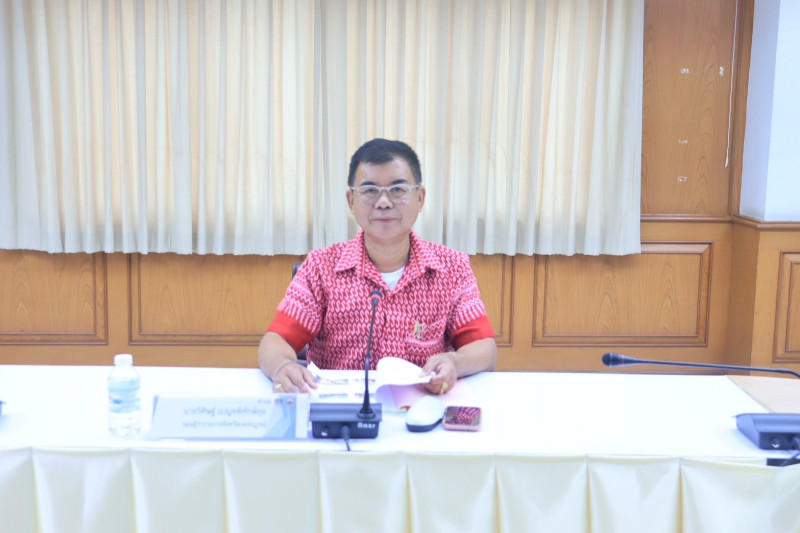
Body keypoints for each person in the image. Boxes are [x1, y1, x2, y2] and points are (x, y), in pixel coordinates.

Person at [258, 138, 497, 395]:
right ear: (351, 200)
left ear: (420, 198)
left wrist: (455, 362)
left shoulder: (452, 268)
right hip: (342, 407)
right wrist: (283, 366)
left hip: (421, 406)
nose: (384, 202)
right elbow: (276, 341)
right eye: (370, 191)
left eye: (398, 190)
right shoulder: (320, 267)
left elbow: (484, 348)